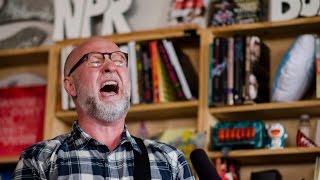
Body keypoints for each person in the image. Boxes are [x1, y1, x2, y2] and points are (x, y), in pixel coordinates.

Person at [12, 37, 195, 179]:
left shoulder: (170, 160)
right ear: (71, 86)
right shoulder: (38, 160)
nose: (110, 67)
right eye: (94, 60)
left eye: (119, 60)